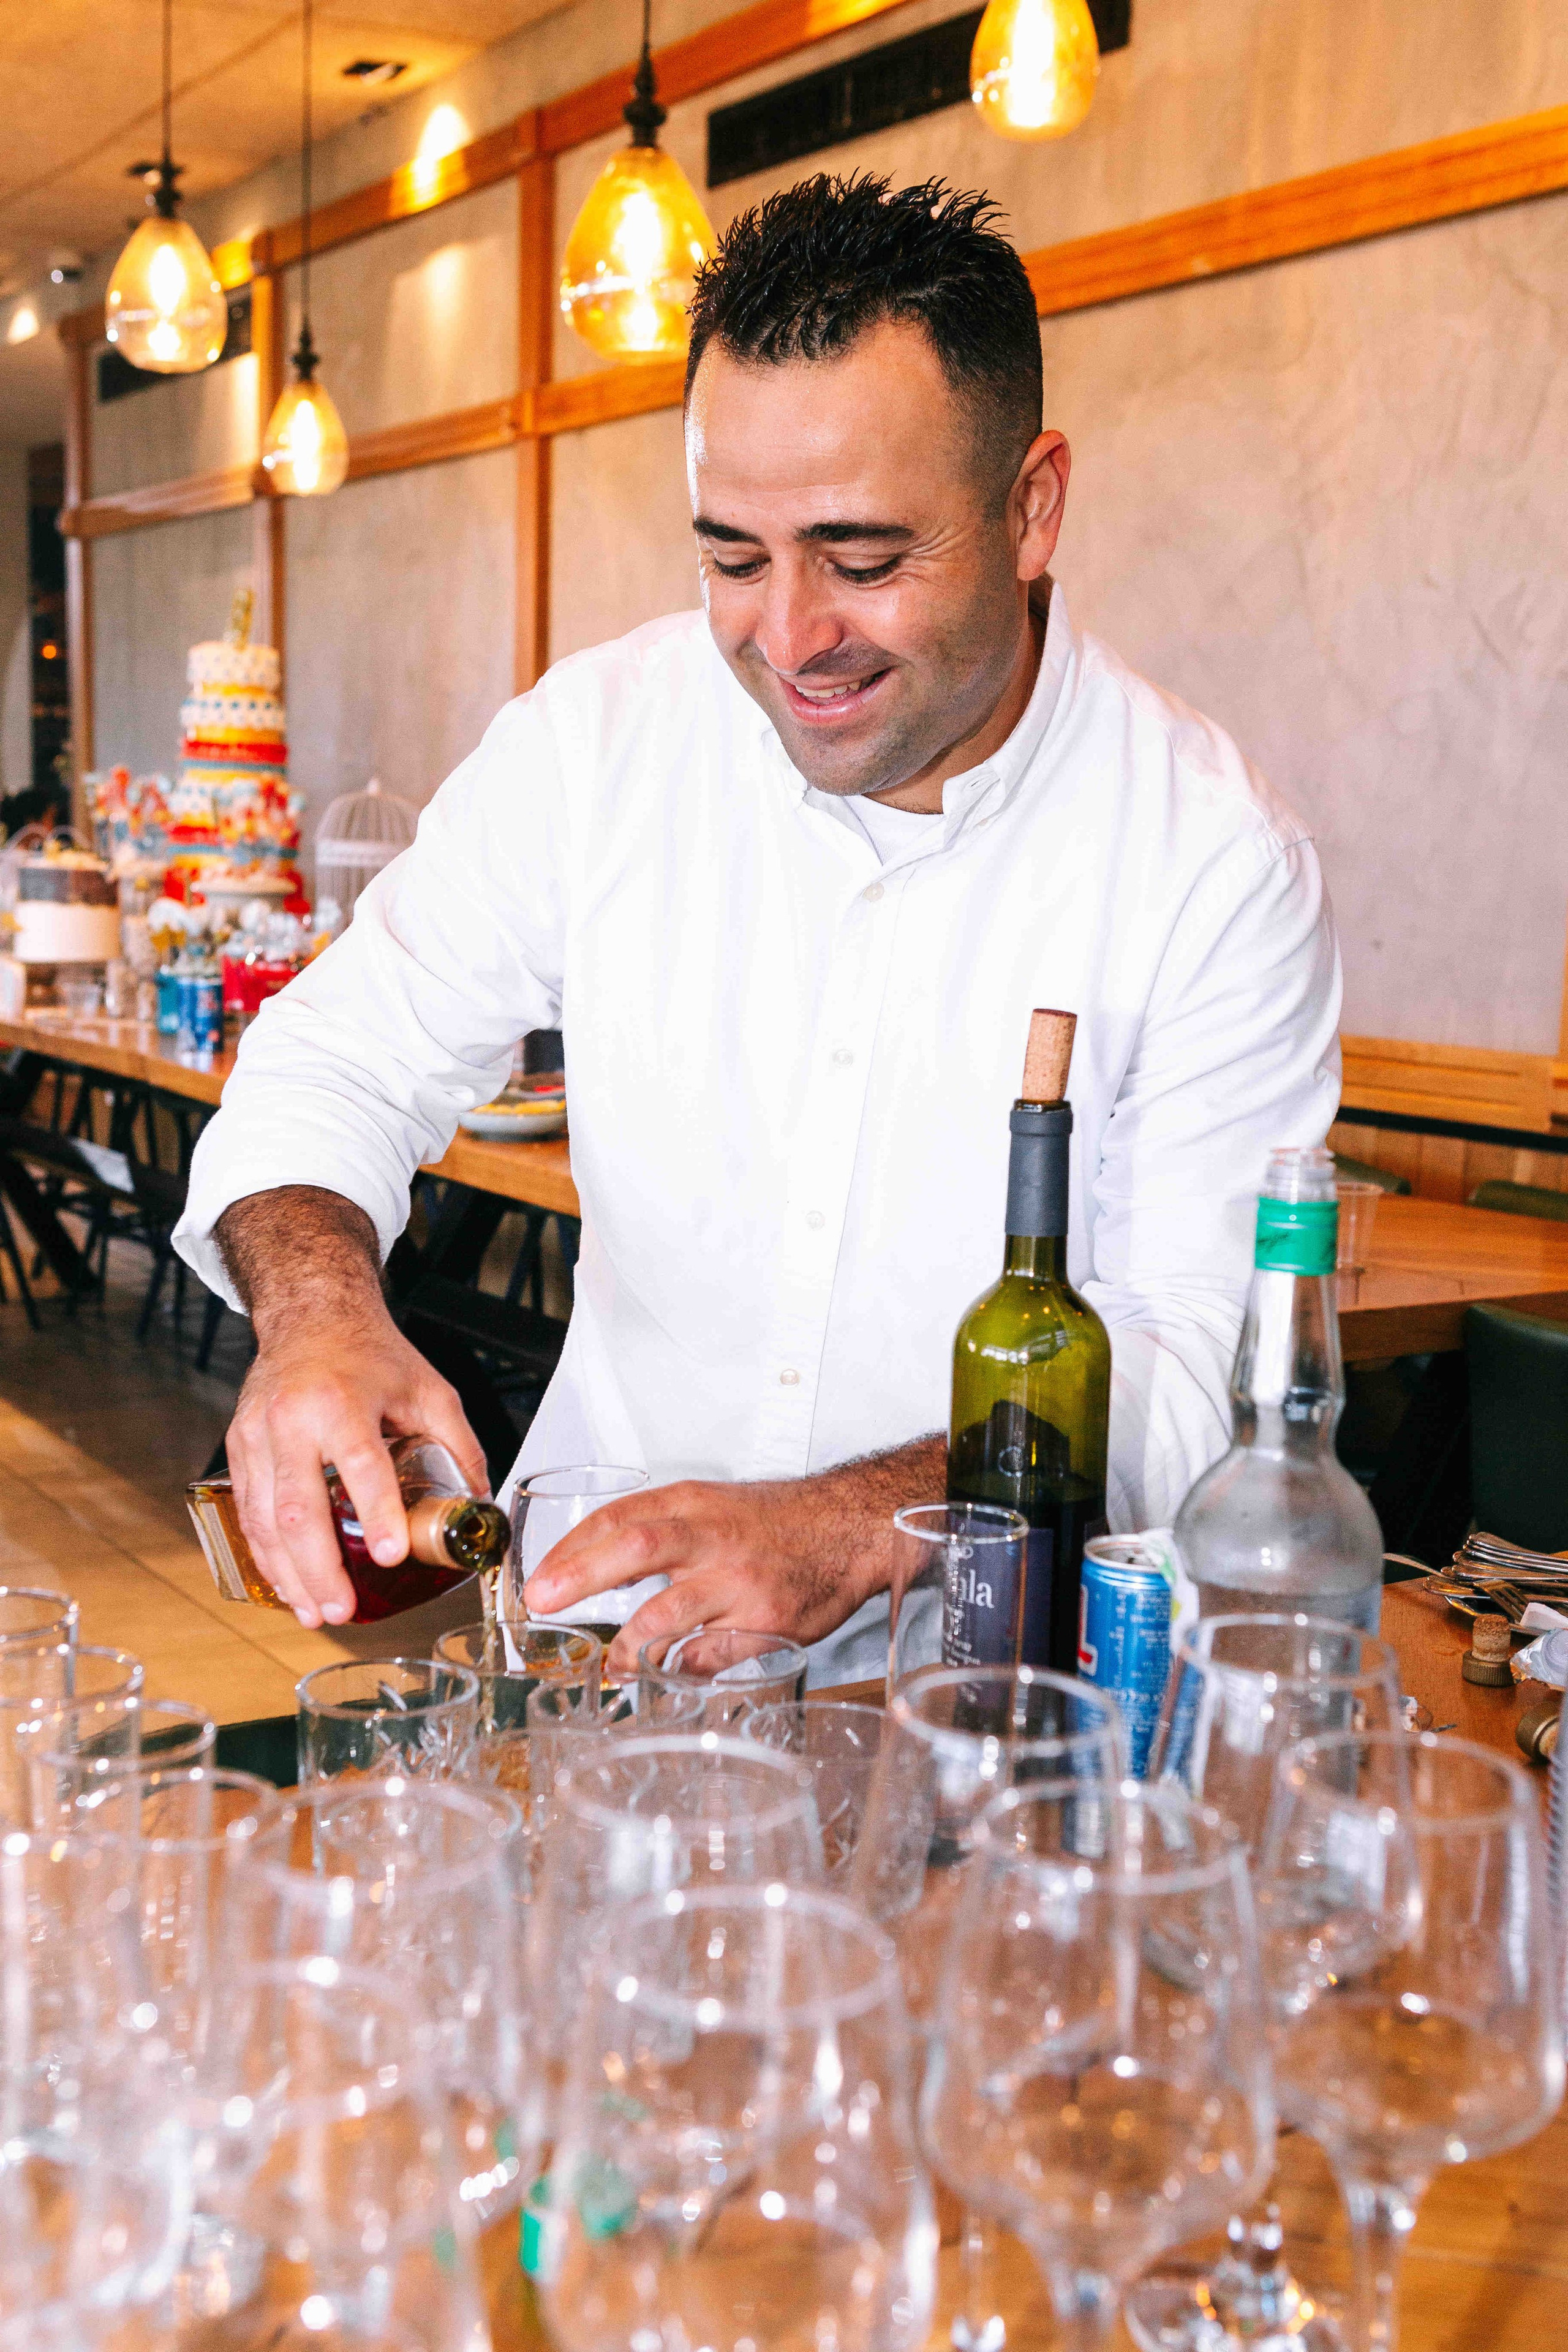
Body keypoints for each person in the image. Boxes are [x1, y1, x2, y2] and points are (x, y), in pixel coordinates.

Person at [176, 174, 1340, 1685]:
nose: (788, 640)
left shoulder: (1211, 860)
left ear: (1032, 503)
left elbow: (1198, 1360)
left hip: (986, 1696)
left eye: (862, 561)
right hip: (608, 1669)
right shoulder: (597, 741)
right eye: (732, 557)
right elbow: (334, 1060)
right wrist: (321, 1318)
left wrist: (857, 1524)